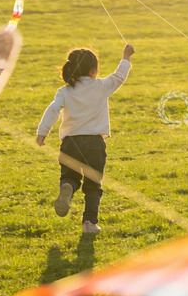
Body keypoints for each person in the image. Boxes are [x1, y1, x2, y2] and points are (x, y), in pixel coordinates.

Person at [36, 44, 134, 234]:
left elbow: (53, 110)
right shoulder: (101, 86)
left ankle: (68, 187)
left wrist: (42, 133)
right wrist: (126, 56)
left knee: (70, 176)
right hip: (94, 144)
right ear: (93, 70)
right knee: (93, 184)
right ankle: (89, 223)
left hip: (70, 143)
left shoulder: (64, 91)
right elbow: (119, 76)